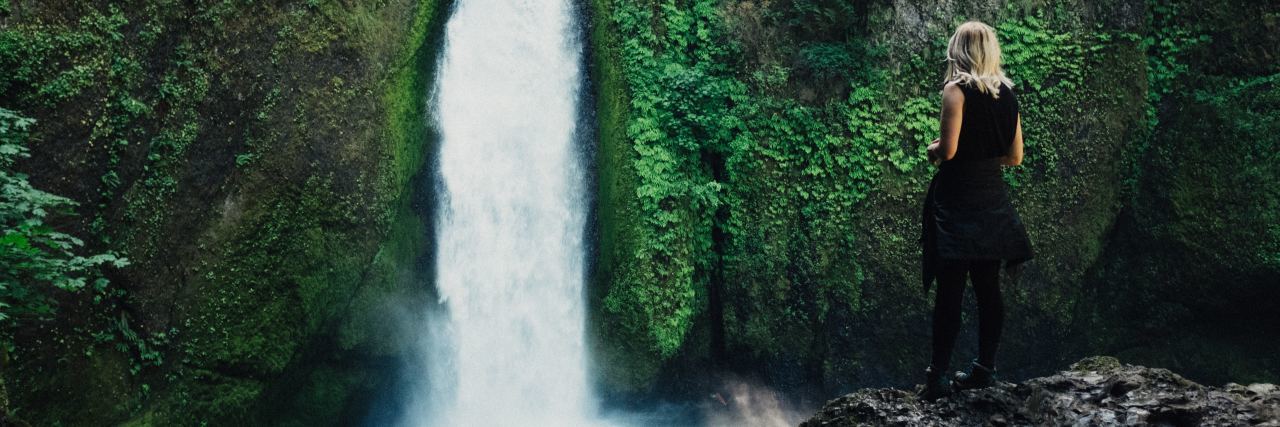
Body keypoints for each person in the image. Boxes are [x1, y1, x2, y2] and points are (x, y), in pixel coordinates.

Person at [917, 21, 1034, 401]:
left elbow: (947, 152)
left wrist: (933, 149)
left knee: (950, 290)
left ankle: (936, 379)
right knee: (988, 288)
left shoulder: (956, 90)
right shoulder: (1009, 94)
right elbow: (1014, 157)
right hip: (991, 200)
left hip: (957, 200)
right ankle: (984, 369)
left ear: (959, 50)